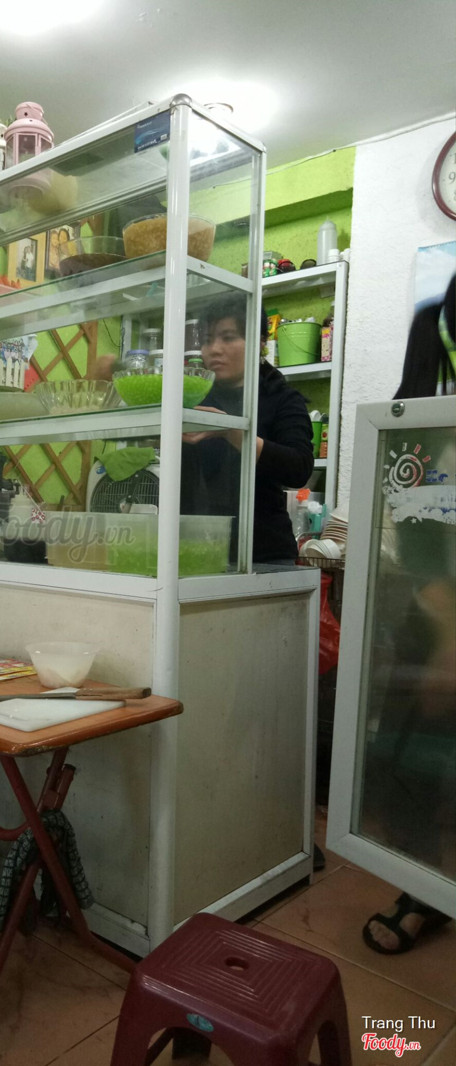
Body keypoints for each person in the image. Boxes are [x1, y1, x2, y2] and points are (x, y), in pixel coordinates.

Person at [361, 274, 455, 955]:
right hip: (439, 619)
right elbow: (425, 553)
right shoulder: (417, 432)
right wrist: (448, 640)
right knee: (411, 763)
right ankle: (423, 892)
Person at [180, 296, 314, 564]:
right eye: (207, 339)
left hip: (264, 551)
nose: (214, 349)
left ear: (260, 342)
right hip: (196, 546)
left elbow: (299, 468)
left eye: (228, 337)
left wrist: (231, 431)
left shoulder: (281, 398)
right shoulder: (194, 397)